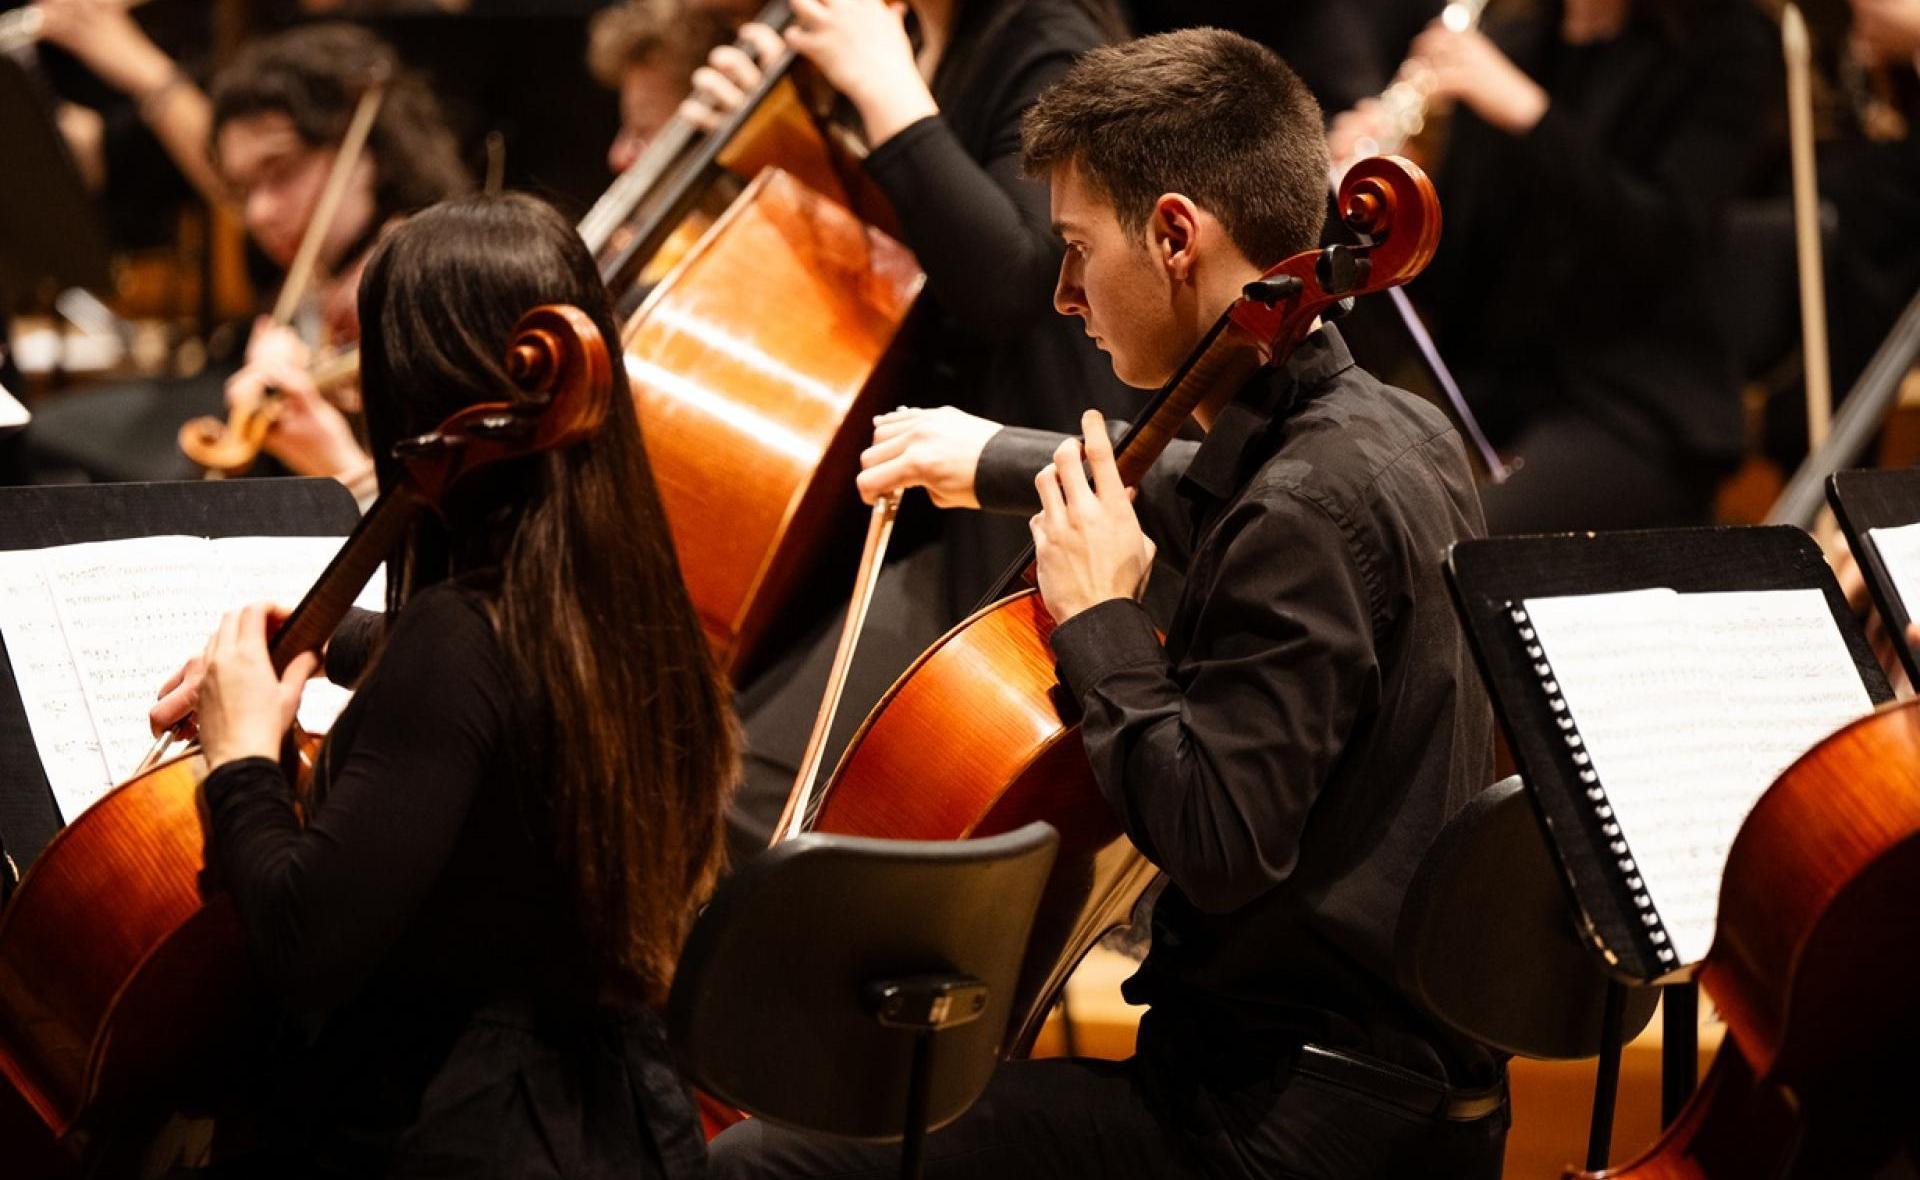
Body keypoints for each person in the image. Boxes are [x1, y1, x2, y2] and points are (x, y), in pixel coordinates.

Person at [711, 28, 1505, 1179]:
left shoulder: (1302, 512)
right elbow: (1205, 489)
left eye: (1079, 249)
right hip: (1373, 1092)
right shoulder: (1394, 431)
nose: (1066, 293)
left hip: (1279, 1127)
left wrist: (1101, 620)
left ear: (1177, 236)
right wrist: (987, 455)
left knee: (758, 1167)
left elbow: (1220, 844)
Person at [150, 193, 735, 1177]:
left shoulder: (459, 638)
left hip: (446, 1134)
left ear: (409, 395)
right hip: (607, 1122)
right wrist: (333, 643)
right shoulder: (633, 604)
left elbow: (306, 944)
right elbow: (518, 698)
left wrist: (243, 756)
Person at [678, 0, 1139, 855]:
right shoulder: (940, 41)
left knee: (746, 804)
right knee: (702, 753)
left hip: (1007, 511)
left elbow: (1008, 277)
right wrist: (785, 143)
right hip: (898, 486)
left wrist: (885, 87)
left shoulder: (1051, 45)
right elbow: (908, 257)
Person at [1327, 0, 1777, 534]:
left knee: (1452, 549)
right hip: (1492, 392)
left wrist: (1529, 114)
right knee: (1338, 512)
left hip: (1633, 403)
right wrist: (1392, 197)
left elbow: (1662, 244)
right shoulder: (1512, 41)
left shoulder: (1729, 44)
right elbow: (1455, 280)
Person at [20, 23, 469, 494]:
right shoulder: (317, 285)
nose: (258, 213)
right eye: (244, 189)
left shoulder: (432, 281)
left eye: (280, 171)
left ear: (370, 151)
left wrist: (337, 462)